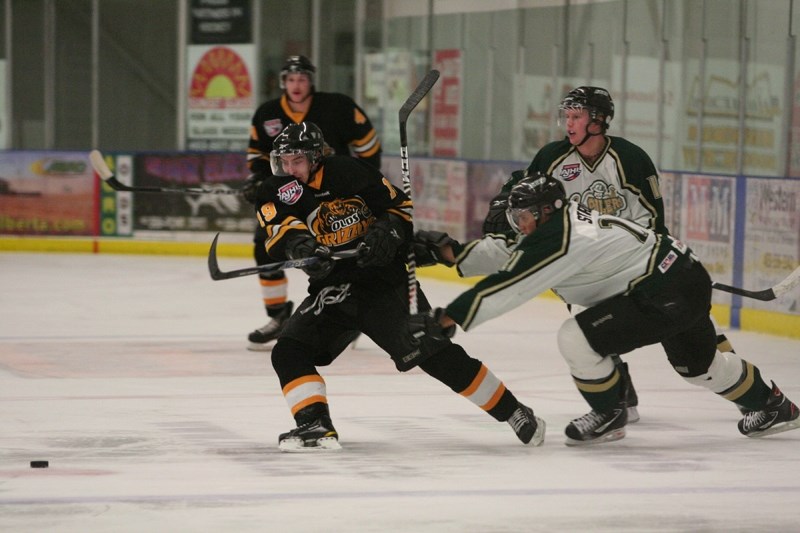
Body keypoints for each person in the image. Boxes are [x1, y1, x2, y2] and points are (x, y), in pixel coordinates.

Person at [410, 173, 799, 446]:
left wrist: (448, 317)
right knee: (700, 367)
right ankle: (773, 404)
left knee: (576, 338)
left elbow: (508, 286)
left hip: (662, 291)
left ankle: (609, 412)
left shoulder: (559, 240)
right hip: (682, 277)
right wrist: (451, 253)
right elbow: (503, 254)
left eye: (521, 217)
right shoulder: (554, 225)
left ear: (545, 211)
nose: (516, 225)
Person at [252, 121, 544, 452]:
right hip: (332, 288)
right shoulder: (274, 189)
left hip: (384, 281)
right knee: (289, 350)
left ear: (317, 157)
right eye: (284, 161)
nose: (290, 169)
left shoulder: (347, 171)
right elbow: (279, 229)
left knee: (435, 355)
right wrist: (302, 248)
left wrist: (385, 233)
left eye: (298, 161)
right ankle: (315, 425)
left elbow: (399, 208)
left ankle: (513, 411)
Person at [481, 86, 736, 419]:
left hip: (631, 261)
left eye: (577, 116)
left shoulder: (630, 159)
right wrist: (502, 205)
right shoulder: (553, 157)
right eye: (566, 117)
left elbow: (654, 223)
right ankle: (619, 397)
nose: (568, 124)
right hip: (584, 265)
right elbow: (522, 190)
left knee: (689, 327)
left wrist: (654, 267)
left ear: (598, 121)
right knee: (590, 328)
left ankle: (737, 374)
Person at [242, 55, 382, 351]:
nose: (296, 85)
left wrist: (364, 181)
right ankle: (278, 314)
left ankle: (349, 311)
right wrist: (258, 180)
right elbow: (257, 155)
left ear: (311, 81)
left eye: (302, 79)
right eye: (291, 79)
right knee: (267, 241)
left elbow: (368, 147)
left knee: (344, 247)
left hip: (334, 195)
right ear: (283, 82)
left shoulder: (339, 106)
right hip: (289, 193)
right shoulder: (267, 113)